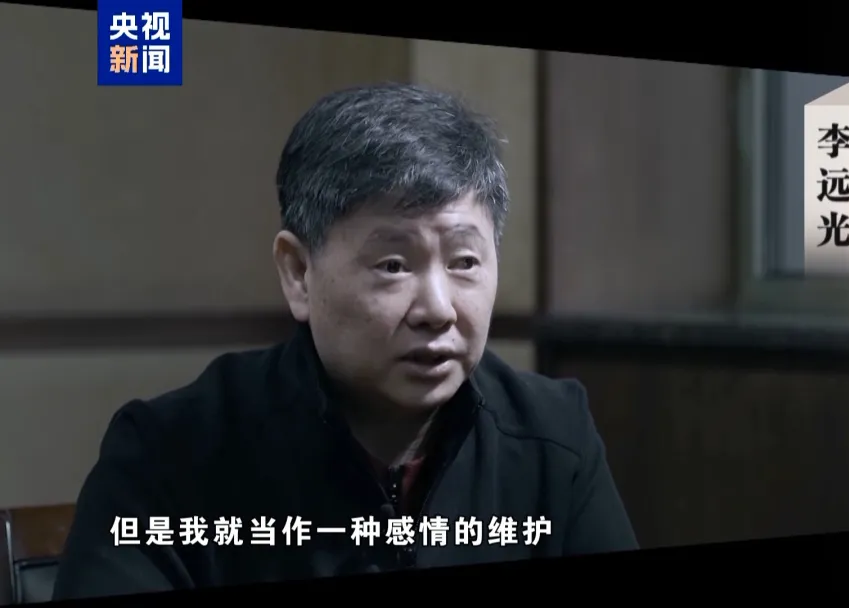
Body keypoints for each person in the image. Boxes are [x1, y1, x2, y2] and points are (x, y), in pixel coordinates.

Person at [52, 83, 637, 599]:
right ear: (298, 273)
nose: (437, 309)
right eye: (392, 265)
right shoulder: (169, 454)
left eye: (464, 261)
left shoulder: (552, 437)